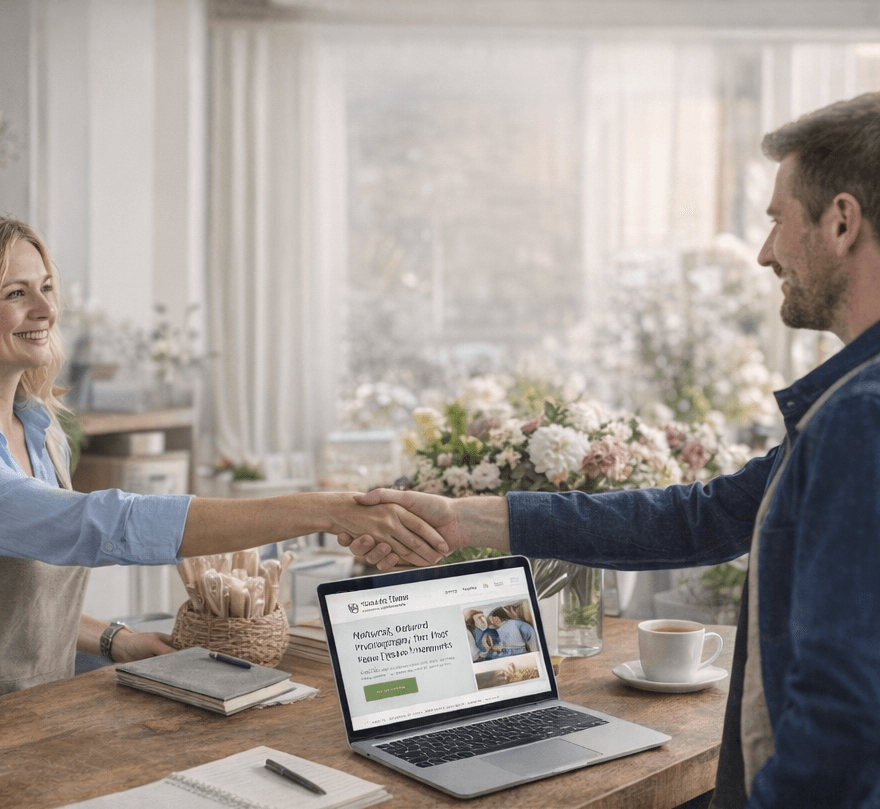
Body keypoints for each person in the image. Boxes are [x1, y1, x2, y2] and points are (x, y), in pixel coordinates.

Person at [343, 92, 880, 808]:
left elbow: (844, 711)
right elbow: (703, 518)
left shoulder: (860, 418)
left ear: (841, 221)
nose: (764, 252)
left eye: (778, 219)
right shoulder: (850, 410)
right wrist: (463, 518)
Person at [0, 210, 449, 736]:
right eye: (16, 293)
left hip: (19, 723)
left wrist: (119, 639)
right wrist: (325, 508)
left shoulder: (39, 427)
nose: (46, 310)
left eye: (46, 287)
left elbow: (21, 603)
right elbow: (94, 527)